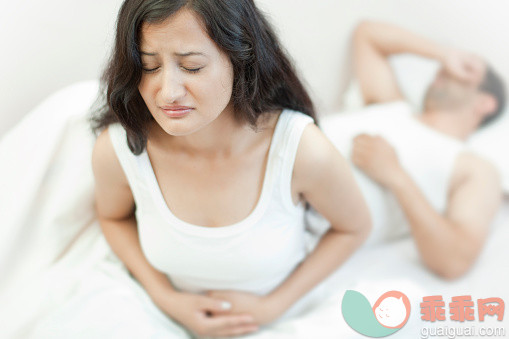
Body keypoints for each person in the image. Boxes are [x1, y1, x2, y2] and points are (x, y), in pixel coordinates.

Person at [90, 0, 371, 338]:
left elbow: (354, 228)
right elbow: (112, 217)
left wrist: (273, 306)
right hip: (162, 317)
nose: (168, 92)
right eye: (149, 67)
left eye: (192, 67)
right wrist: (166, 297)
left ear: (241, 60)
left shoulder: (301, 149)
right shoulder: (119, 149)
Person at [348, 21, 505, 279]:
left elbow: (455, 260)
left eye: (467, 72)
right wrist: (446, 55)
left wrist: (396, 175)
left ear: (486, 102)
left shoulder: (475, 168)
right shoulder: (392, 105)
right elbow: (367, 34)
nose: (448, 70)